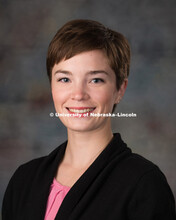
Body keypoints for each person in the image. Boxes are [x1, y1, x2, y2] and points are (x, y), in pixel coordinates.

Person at [2, 19, 176, 220]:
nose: (78, 94)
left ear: (120, 89)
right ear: (51, 86)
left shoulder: (144, 184)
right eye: (65, 79)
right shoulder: (24, 179)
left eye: (95, 80)